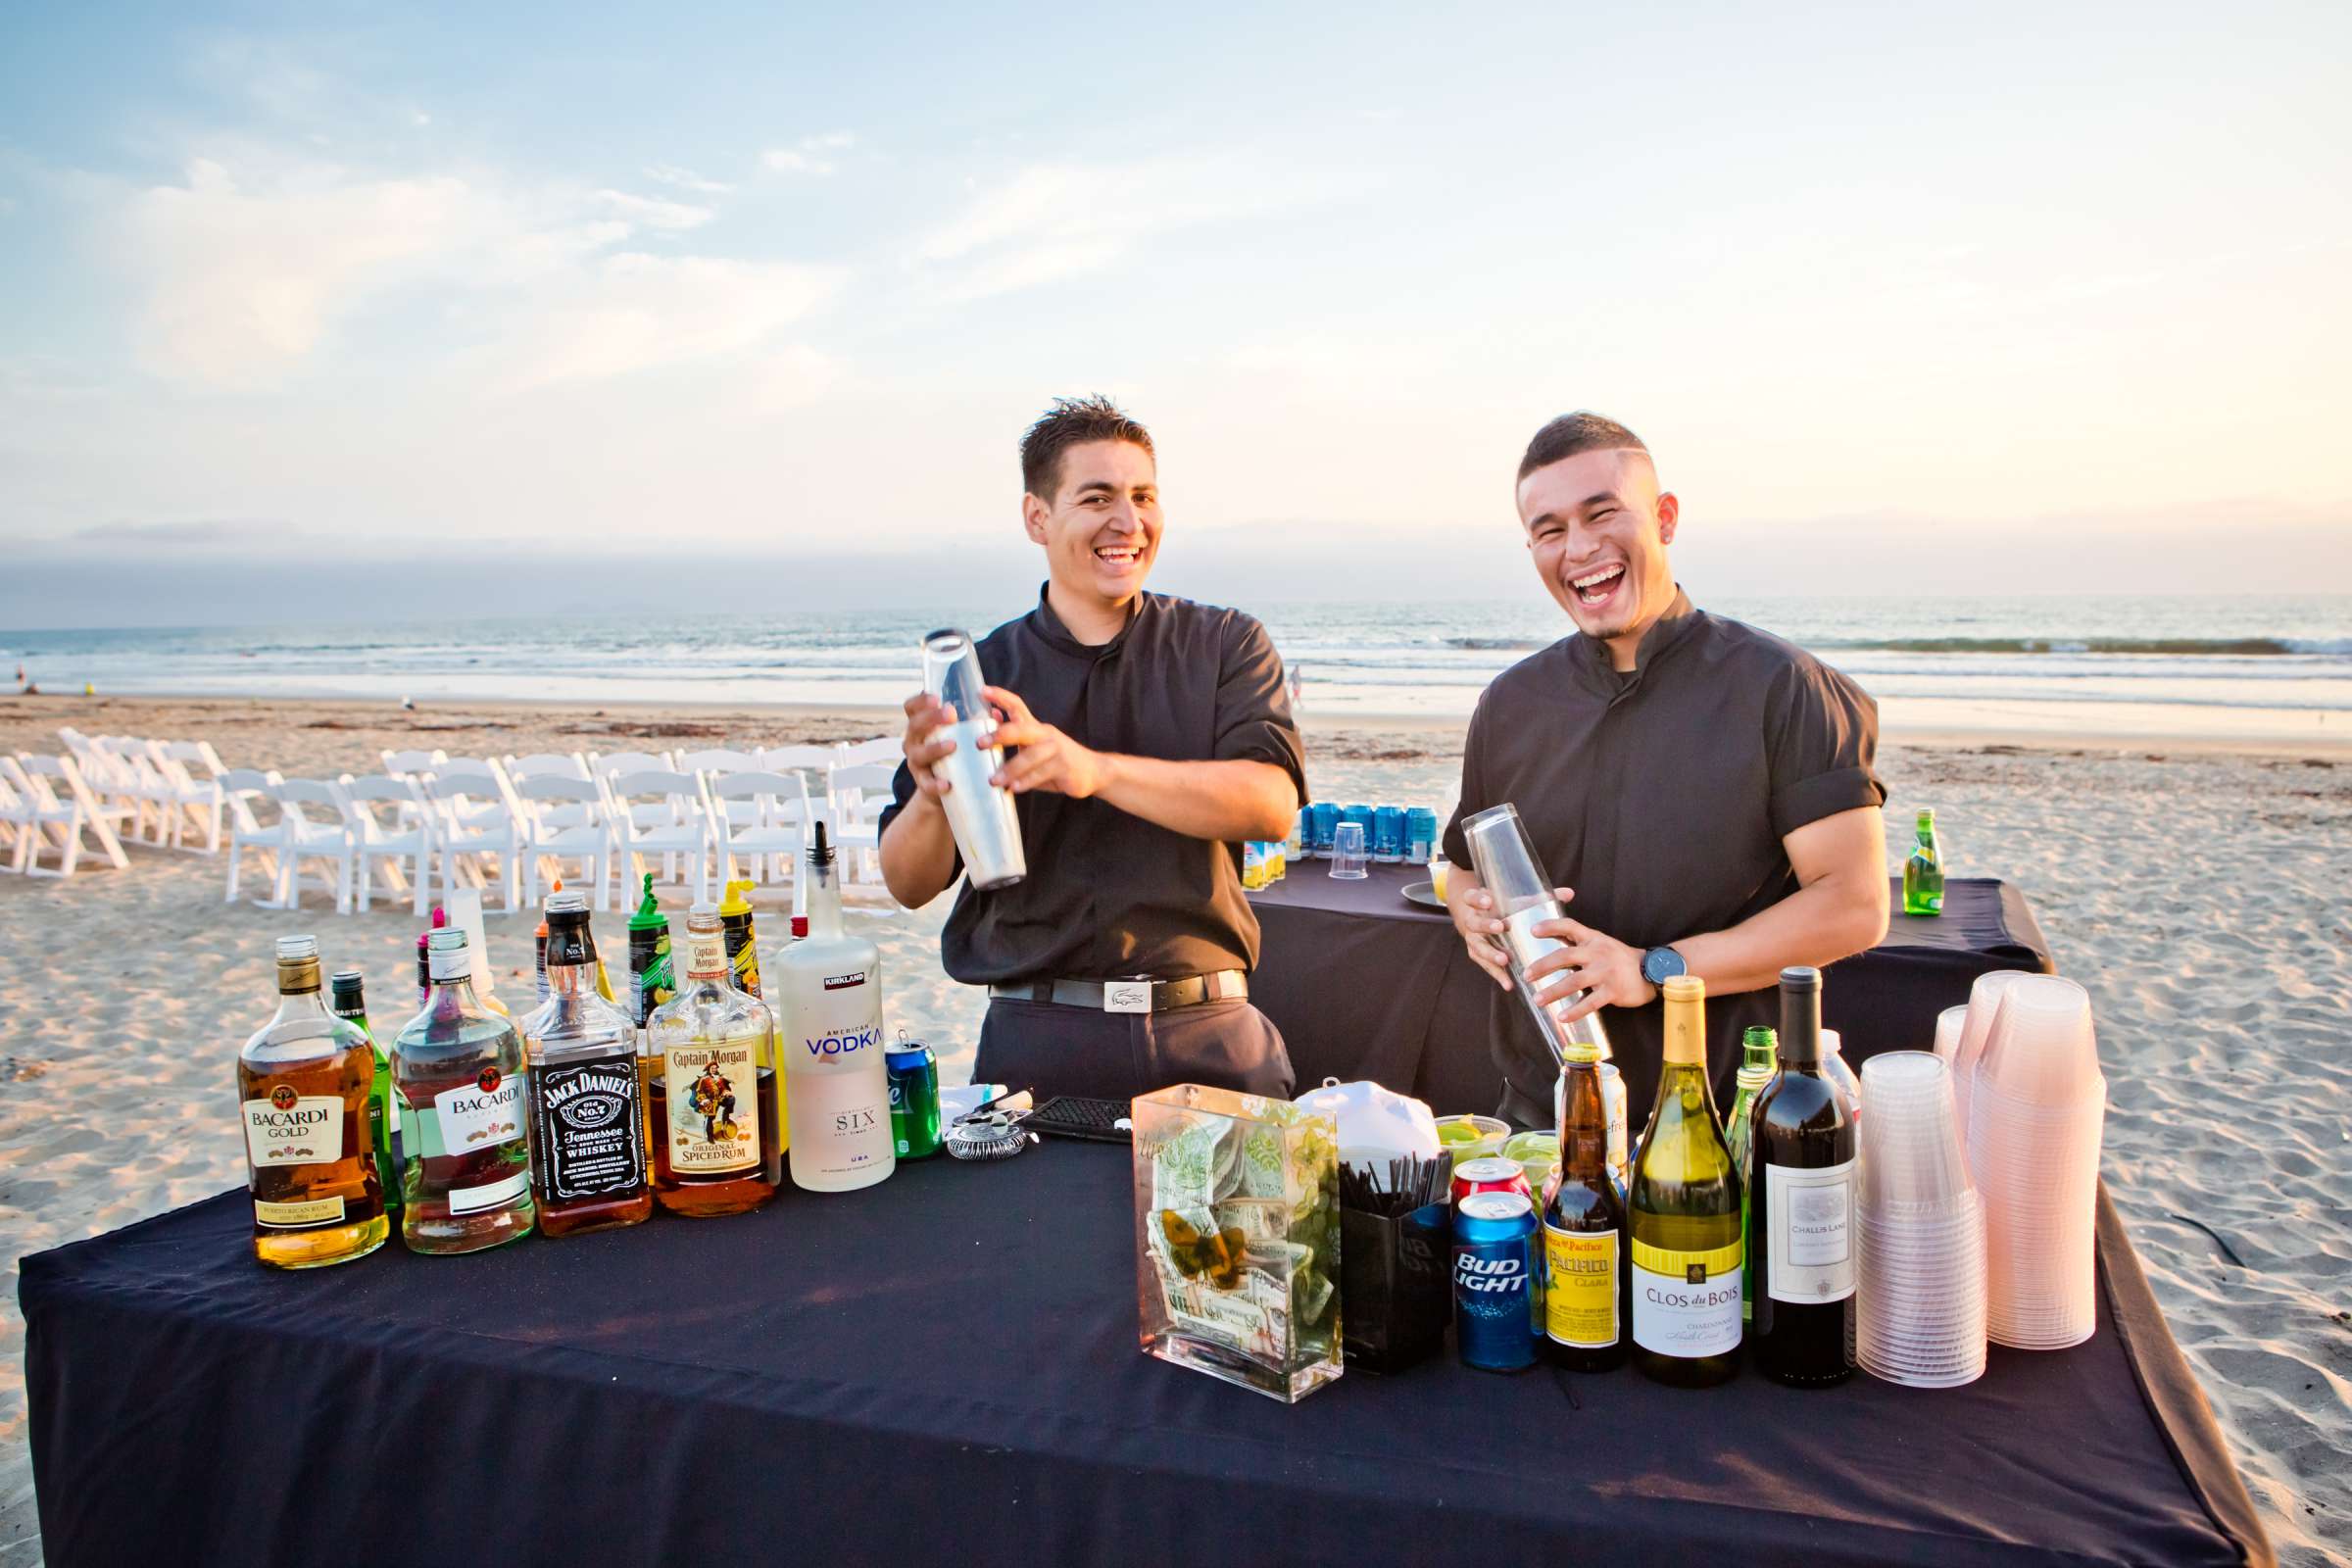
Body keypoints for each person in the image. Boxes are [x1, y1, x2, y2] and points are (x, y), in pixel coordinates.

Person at [1443, 412, 1888, 1124]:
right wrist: (1466, 909)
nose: (1580, 548)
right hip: (1546, 1106)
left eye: (1602, 513)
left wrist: (1654, 968)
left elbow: (1854, 906)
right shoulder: (1509, 703)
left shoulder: (1785, 687)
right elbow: (1462, 864)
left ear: (1666, 517)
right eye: (1551, 530)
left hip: (1727, 1109)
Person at [878, 396, 1307, 1101]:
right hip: (1035, 1039)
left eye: (1143, 497)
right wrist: (933, 795)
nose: (1128, 522)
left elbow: (1270, 805)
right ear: (1037, 518)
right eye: (1097, 497)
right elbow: (907, 882)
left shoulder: (1226, 641)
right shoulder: (982, 675)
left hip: (1209, 1030)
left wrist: (1091, 770)